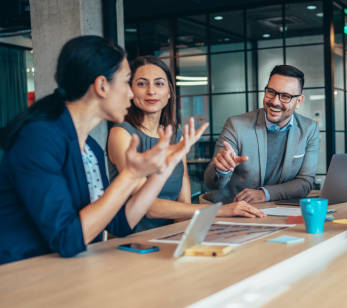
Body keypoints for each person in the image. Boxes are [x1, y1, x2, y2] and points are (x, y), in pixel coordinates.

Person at [0, 36, 206, 264]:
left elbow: (119, 223)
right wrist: (131, 175)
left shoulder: (91, 148)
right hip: (23, 275)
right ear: (101, 86)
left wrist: (163, 170)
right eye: (128, 82)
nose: (131, 93)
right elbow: (67, 239)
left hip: (71, 268)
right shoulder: (38, 139)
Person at [107, 56, 264, 232]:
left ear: (169, 92)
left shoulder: (176, 134)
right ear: (130, 91)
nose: (151, 91)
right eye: (142, 84)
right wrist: (220, 210)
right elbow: (147, 206)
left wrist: (182, 236)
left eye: (159, 84)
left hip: (169, 234)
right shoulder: (121, 134)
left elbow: (184, 197)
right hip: (131, 239)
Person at [203, 65, 319, 204]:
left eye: (285, 96)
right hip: (234, 212)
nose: (275, 102)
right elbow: (212, 183)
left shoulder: (309, 129)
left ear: (298, 101)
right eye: (271, 92)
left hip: (279, 212)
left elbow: (305, 182)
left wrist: (264, 194)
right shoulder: (236, 125)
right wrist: (221, 170)